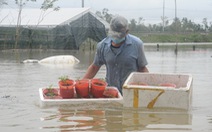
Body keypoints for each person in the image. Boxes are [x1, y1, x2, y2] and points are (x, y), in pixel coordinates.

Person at [83, 15, 149, 94]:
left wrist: (150, 87)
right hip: (111, 92)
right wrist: (81, 84)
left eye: (119, 35)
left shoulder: (137, 44)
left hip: (131, 92)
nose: (116, 39)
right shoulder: (102, 46)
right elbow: (94, 67)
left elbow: (142, 69)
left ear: (127, 32)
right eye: (114, 35)